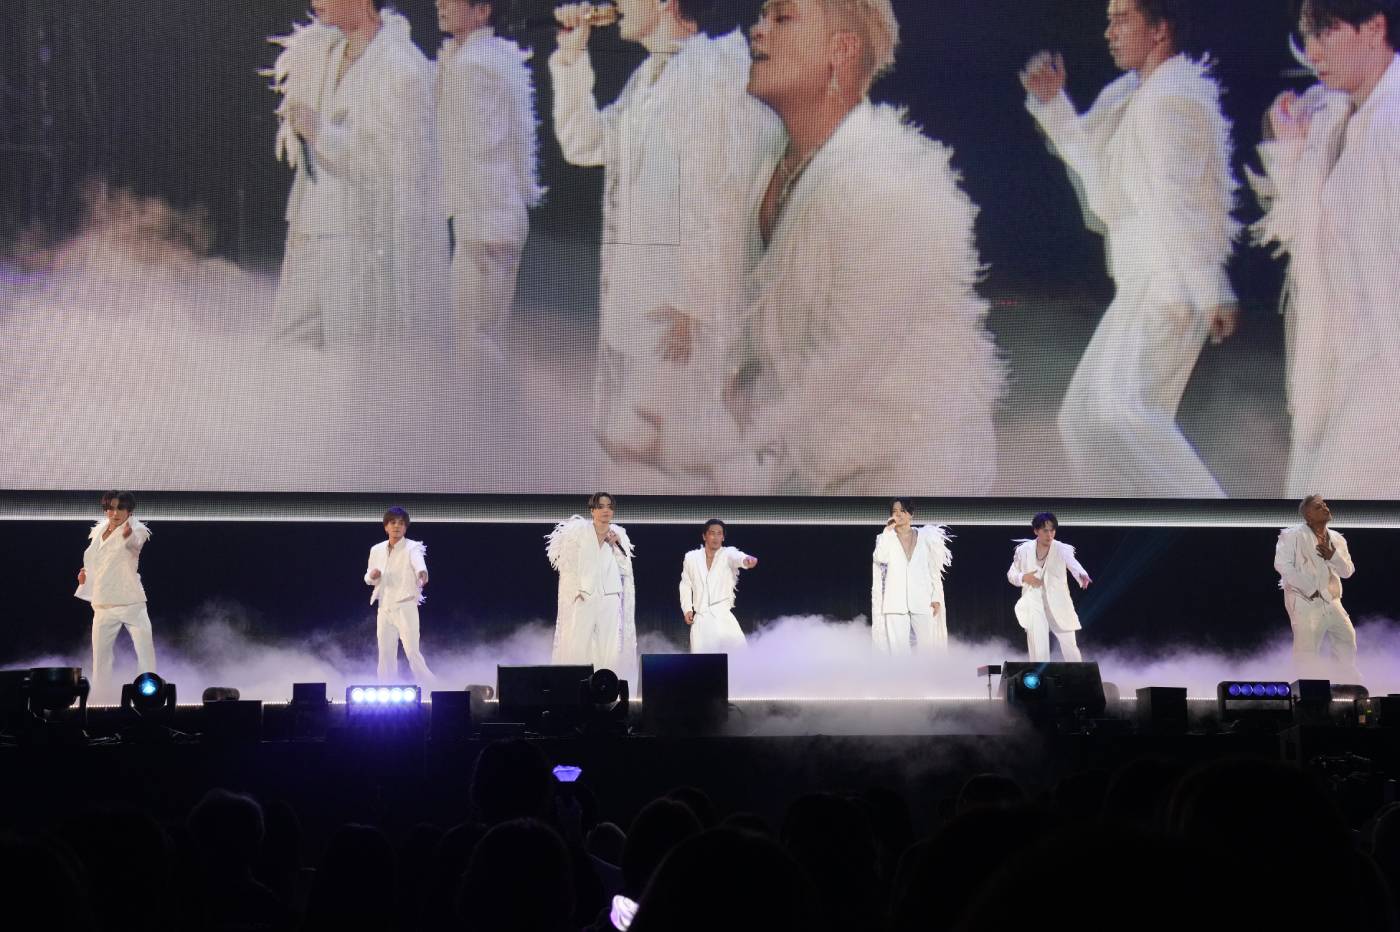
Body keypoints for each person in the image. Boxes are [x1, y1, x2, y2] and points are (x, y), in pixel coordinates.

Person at [717, 0, 1002, 495]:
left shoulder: (890, 178)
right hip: (814, 464)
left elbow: (855, 354)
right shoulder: (769, 162)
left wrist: (735, 433)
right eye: (762, 17)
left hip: (906, 479)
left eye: (782, 18)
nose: (757, 31)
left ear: (841, 51)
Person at [550, 0, 781, 485]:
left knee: (680, 454)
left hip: (680, 312)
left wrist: (694, 307)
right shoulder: (649, 78)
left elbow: (723, 196)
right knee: (636, 447)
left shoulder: (712, 72)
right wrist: (571, 62)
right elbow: (585, 144)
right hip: (642, 295)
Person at [1021, 0, 1239, 497]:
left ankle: (1216, 519)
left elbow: (1184, 203)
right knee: (1084, 419)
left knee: (1126, 416)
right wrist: (1054, 105)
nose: (1109, 31)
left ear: (1159, 30)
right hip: (1143, 284)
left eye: (1122, 19)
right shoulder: (1134, 95)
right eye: (1108, 20)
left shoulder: (1171, 100)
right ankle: (1128, 520)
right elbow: (1102, 183)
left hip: (1171, 289)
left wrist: (1211, 291)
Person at [1250, 0, 1400, 498]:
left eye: (1324, 32)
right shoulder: (1335, 114)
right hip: (1336, 359)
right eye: (1306, 34)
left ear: (1374, 27)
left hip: (1386, 371)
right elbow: (1303, 238)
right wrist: (1291, 150)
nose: (1311, 51)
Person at [269, 0, 449, 353]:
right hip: (310, 227)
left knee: (351, 358)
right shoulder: (322, 52)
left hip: (359, 238)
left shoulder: (401, 67)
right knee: (287, 353)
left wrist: (322, 133)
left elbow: (395, 166)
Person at [436, 0, 543, 344]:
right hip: (494, 213)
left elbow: (464, 144)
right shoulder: (487, 57)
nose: (440, 3)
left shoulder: (472, 66)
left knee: (473, 338)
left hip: (484, 216)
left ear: (482, 11)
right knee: (482, 335)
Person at [74, 491, 156, 698]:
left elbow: (135, 543)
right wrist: (85, 579)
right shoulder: (99, 531)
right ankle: (100, 700)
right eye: (110, 508)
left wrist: (129, 537)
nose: (115, 513)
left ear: (129, 511)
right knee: (100, 659)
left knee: (145, 652)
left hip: (130, 602)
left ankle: (149, 697)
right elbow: (96, 563)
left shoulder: (136, 529)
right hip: (103, 603)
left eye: (120, 508)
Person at [547, 493, 637, 678]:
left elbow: (625, 568)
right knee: (579, 642)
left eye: (609, 507)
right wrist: (575, 591)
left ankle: (607, 684)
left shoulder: (619, 534)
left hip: (610, 595)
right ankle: (576, 682)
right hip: (584, 593)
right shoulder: (578, 532)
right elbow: (569, 566)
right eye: (601, 506)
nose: (606, 510)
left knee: (609, 645)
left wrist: (616, 546)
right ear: (592, 510)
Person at [1274, 495, 1362, 682]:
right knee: (1306, 648)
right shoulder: (1292, 535)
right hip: (1304, 599)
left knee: (1347, 638)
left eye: (1325, 505)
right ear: (1308, 516)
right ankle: (1307, 687)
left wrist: (1333, 557)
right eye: (1318, 507)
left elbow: (1347, 571)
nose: (1325, 508)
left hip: (1332, 600)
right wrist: (1309, 588)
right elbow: (1282, 565)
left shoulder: (1337, 539)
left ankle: (1345, 682)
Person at [1006, 512, 1092, 663]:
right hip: (1034, 604)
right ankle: (1040, 677)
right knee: (1038, 650)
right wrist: (1024, 577)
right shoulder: (1023, 550)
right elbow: (1011, 574)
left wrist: (1082, 574)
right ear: (1036, 531)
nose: (1049, 534)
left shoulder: (1061, 548)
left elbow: (1073, 564)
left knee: (1070, 647)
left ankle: (1078, 674)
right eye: (1045, 530)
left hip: (1059, 603)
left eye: (1052, 530)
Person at [871, 499, 950, 654]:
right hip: (895, 602)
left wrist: (935, 597)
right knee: (899, 652)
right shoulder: (884, 537)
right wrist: (888, 532)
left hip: (922, 600)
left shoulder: (926, 537)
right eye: (895, 511)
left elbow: (933, 569)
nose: (898, 514)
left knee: (928, 649)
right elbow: (880, 557)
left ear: (911, 514)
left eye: (903, 511)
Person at [365, 506, 434, 683]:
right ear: (386, 527)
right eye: (393, 522)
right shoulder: (376, 549)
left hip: (405, 605)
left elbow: (420, 565)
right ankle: (385, 689)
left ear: (405, 527)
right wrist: (372, 576)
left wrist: (422, 574)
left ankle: (433, 688)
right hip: (384, 606)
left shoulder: (412, 547)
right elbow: (368, 577)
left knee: (412, 652)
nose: (397, 526)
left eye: (401, 523)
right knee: (385, 654)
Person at [679, 519, 758, 653]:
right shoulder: (691, 558)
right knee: (703, 662)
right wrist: (687, 609)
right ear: (704, 536)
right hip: (701, 621)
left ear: (723, 537)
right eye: (712, 533)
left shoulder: (728, 554)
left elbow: (738, 557)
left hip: (724, 619)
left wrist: (747, 560)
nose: (715, 537)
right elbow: (685, 584)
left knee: (738, 658)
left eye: (719, 533)